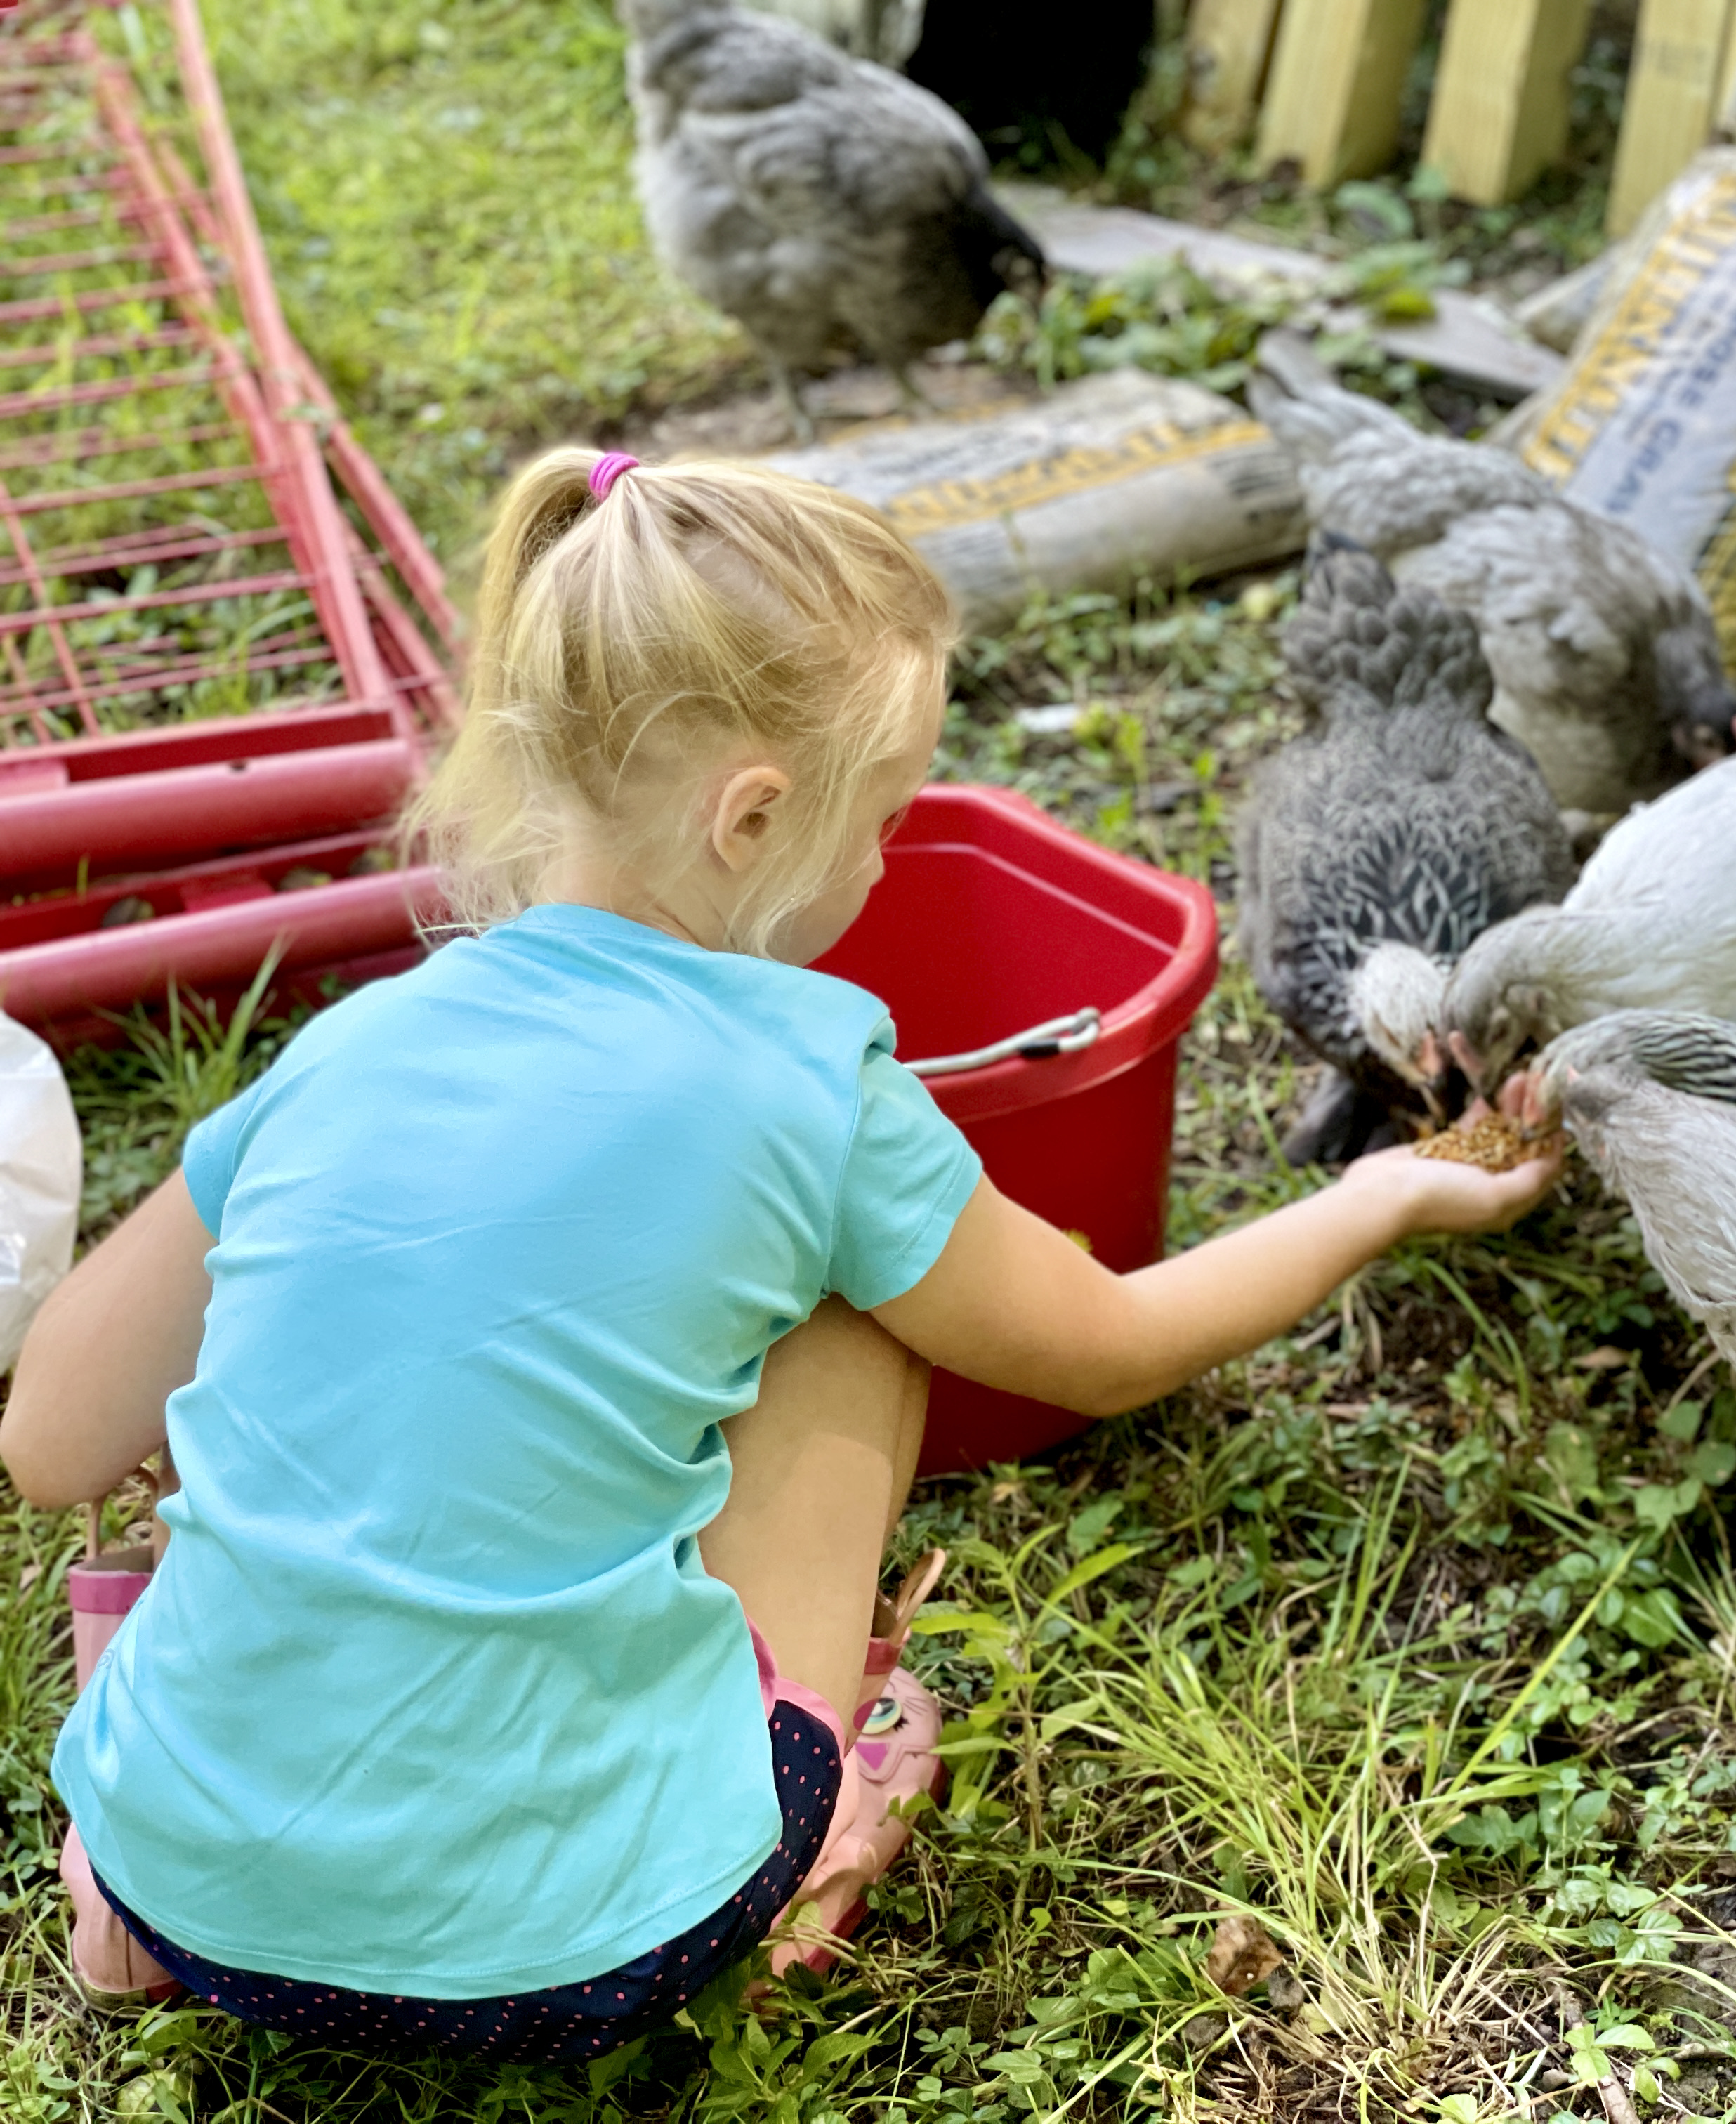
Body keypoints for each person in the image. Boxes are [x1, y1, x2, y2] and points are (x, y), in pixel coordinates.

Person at [0, 450, 1558, 2059]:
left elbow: (50, 1441)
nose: (885, 862)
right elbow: (1106, 1339)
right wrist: (1386, 1196)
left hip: (183, 1875)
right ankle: (810, 1819)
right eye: (883, 819)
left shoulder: (350, 1045)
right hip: (584, 1947)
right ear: (753, 817)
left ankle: (157, 1877)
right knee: (863, 1311)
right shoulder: (814, 1082)